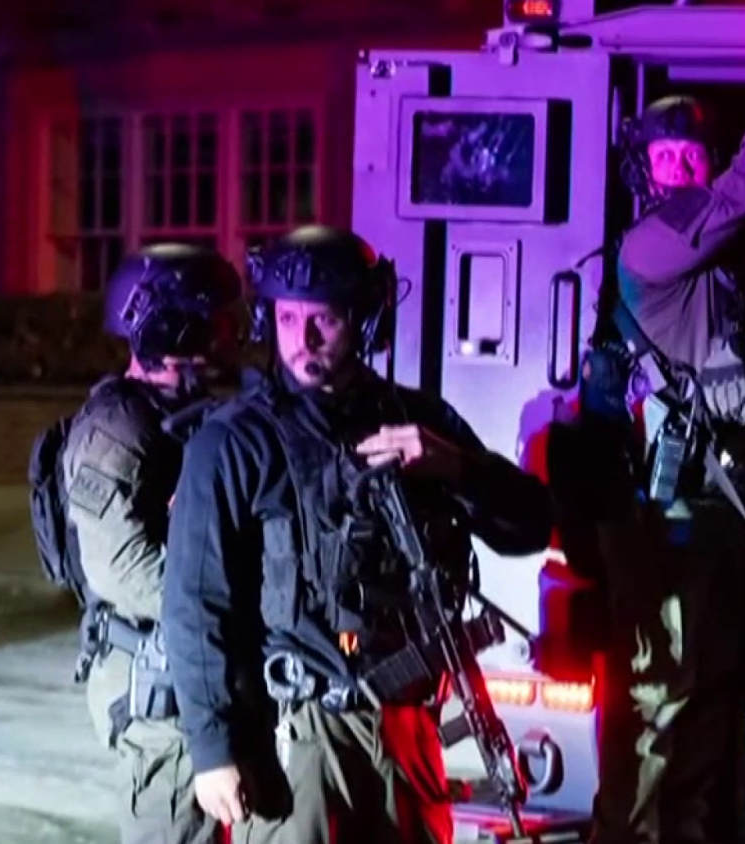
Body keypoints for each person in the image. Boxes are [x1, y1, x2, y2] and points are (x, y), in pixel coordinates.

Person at [162, 225, 552, 841]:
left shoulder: (418, 421)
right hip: (301, 738)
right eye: (287, 319)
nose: (303, 340)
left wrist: (457, 467)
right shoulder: (235, 441)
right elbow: (194, 601)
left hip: (408, 733)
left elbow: (529, 527)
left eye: (323, 319)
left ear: (364, 320)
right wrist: (212, 748)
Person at [551, 36, 745, 844]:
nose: (683, 171)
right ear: (643, 173)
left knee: (709, 692)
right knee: (656, 702)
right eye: (667, 158)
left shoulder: (724, 264)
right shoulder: (654, 244)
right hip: (661, 517)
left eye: (693, 158)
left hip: (717, 510)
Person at [62, 243, 242, 843]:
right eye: (212, 318)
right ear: (171, 325)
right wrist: (222, 597)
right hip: (155, 683)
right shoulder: (116, 429)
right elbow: (121, 568)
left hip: (192, 667)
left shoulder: (185, 413)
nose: (226, 333)